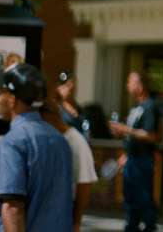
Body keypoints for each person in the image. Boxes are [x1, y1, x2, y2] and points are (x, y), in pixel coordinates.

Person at [0, 63, 72, 232]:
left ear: (12, 100)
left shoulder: (12, 143)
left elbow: (13, 209)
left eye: (1, 92)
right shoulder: (59, 140)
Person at [109, 71, 159, 232]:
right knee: (130, 199)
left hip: (143, 161)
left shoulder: (150, 106)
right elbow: (133, 136)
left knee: (143, 198)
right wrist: (125, 153)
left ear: (140, 85)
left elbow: (151, 135)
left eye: (130, 82)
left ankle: (149, 226)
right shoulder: (136, 108)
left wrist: (125, 129)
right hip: (132, 160)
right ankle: (131, 227)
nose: (127, 86)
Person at [40, 96, 97, 232]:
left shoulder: (76, 143)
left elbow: (84, 184)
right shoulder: (51, 138)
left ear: (52, 117)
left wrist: (76, 222)